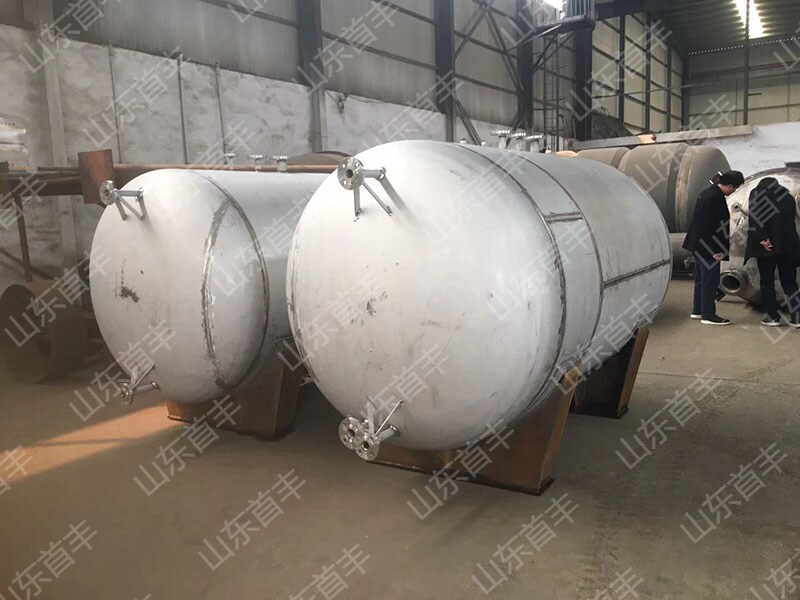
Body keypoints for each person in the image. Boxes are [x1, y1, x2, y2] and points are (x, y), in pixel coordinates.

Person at [683, 170, 745, 325]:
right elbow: (711, 227)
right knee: (710, 281)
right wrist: (716, 250)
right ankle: (708, 315)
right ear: (729, 185)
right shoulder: (715, 198)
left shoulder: (707, 193)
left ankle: (698, 310)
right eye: (735, 188)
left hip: (698, 244)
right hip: (708, 247)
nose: (734, 191)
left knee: (701, 280)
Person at [744, 177, 800, 328]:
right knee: (790, 283)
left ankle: (772, 317)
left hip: (767, 247)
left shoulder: (758, 194)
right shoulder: (787, 197)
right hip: (788, 246)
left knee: (767, 282)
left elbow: (756, 219)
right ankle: (797, 317)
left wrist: (763, 239)